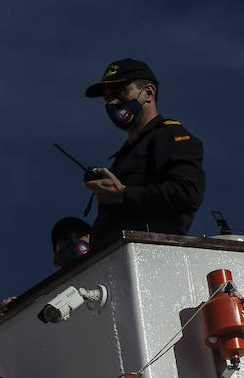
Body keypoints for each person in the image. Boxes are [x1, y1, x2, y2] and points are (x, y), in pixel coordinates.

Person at [81, 58, 205, 250]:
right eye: (107, 98)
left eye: (119, 92)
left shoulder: (169, 135)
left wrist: (123, 194)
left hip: (152, 260)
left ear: (148, 93)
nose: (113, 102)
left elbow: (187, 193)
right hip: (115, 263)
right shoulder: (123, 155)